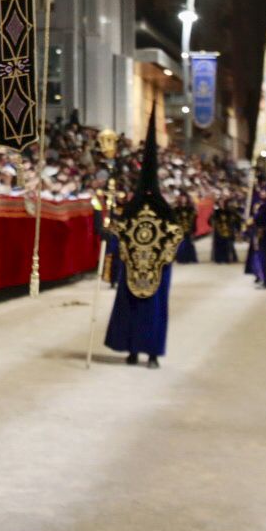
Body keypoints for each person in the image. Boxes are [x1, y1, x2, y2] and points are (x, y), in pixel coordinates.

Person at [103, 117, 177, 369]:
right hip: (133, 266)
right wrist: (113, 225)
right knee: (131, 310)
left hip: (156, 268)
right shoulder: (131, 208)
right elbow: (122, 231)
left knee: (153, 312)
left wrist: (163, 257)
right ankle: (133, 350)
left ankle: (153, 353)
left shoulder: (164, 209)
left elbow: (175, 234)